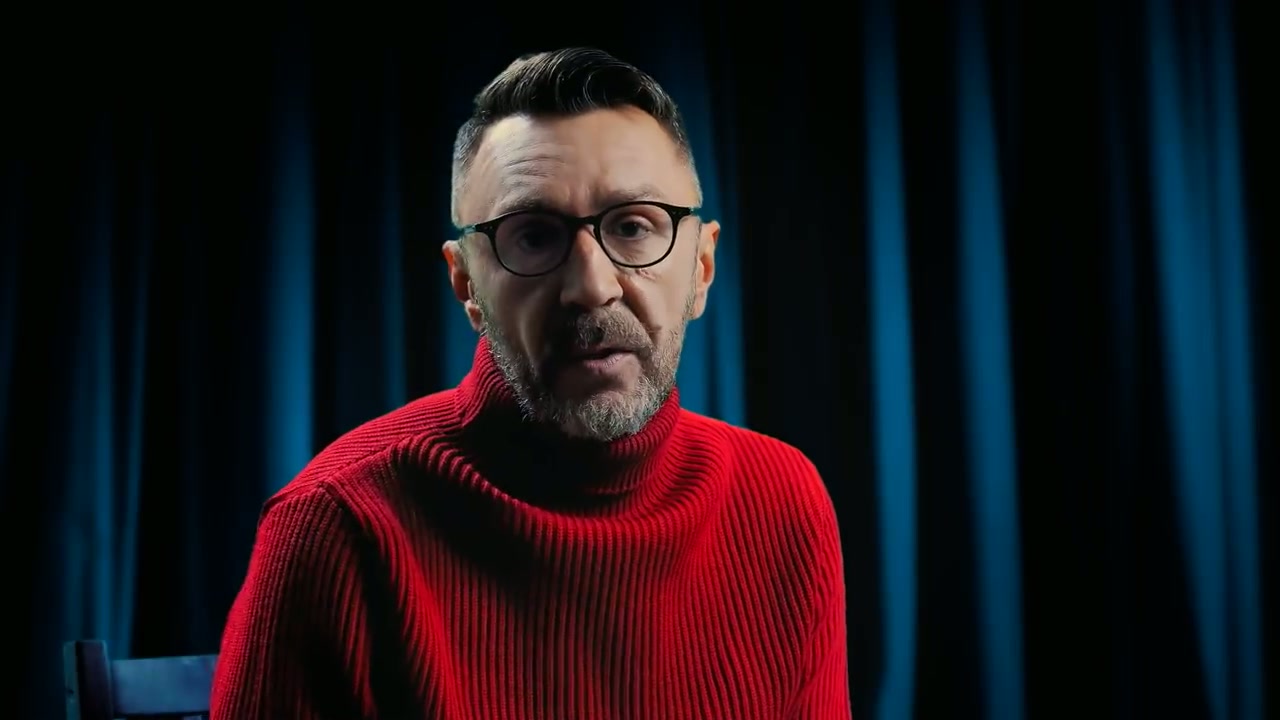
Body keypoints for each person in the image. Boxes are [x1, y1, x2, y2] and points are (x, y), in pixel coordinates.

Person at [210, 47, 850, 719]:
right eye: (535, 237)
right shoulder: (337, 524)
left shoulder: (782, 499)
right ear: (467, 284)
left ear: (702, 268)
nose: (591, 287)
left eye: (634, 226)